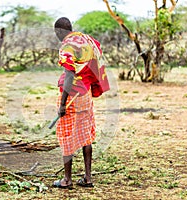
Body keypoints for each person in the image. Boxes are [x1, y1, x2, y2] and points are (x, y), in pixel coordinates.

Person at [53, 17, 106, 189]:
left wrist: (62, 104)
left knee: (66, 134)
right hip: (86, 94)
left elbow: (69, 76)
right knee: (84, 135)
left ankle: (67, 180)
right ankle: (88, 178)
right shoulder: (86, 40)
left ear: (60, 31)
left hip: (71, 95)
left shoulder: (67, 46)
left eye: (56, 33)